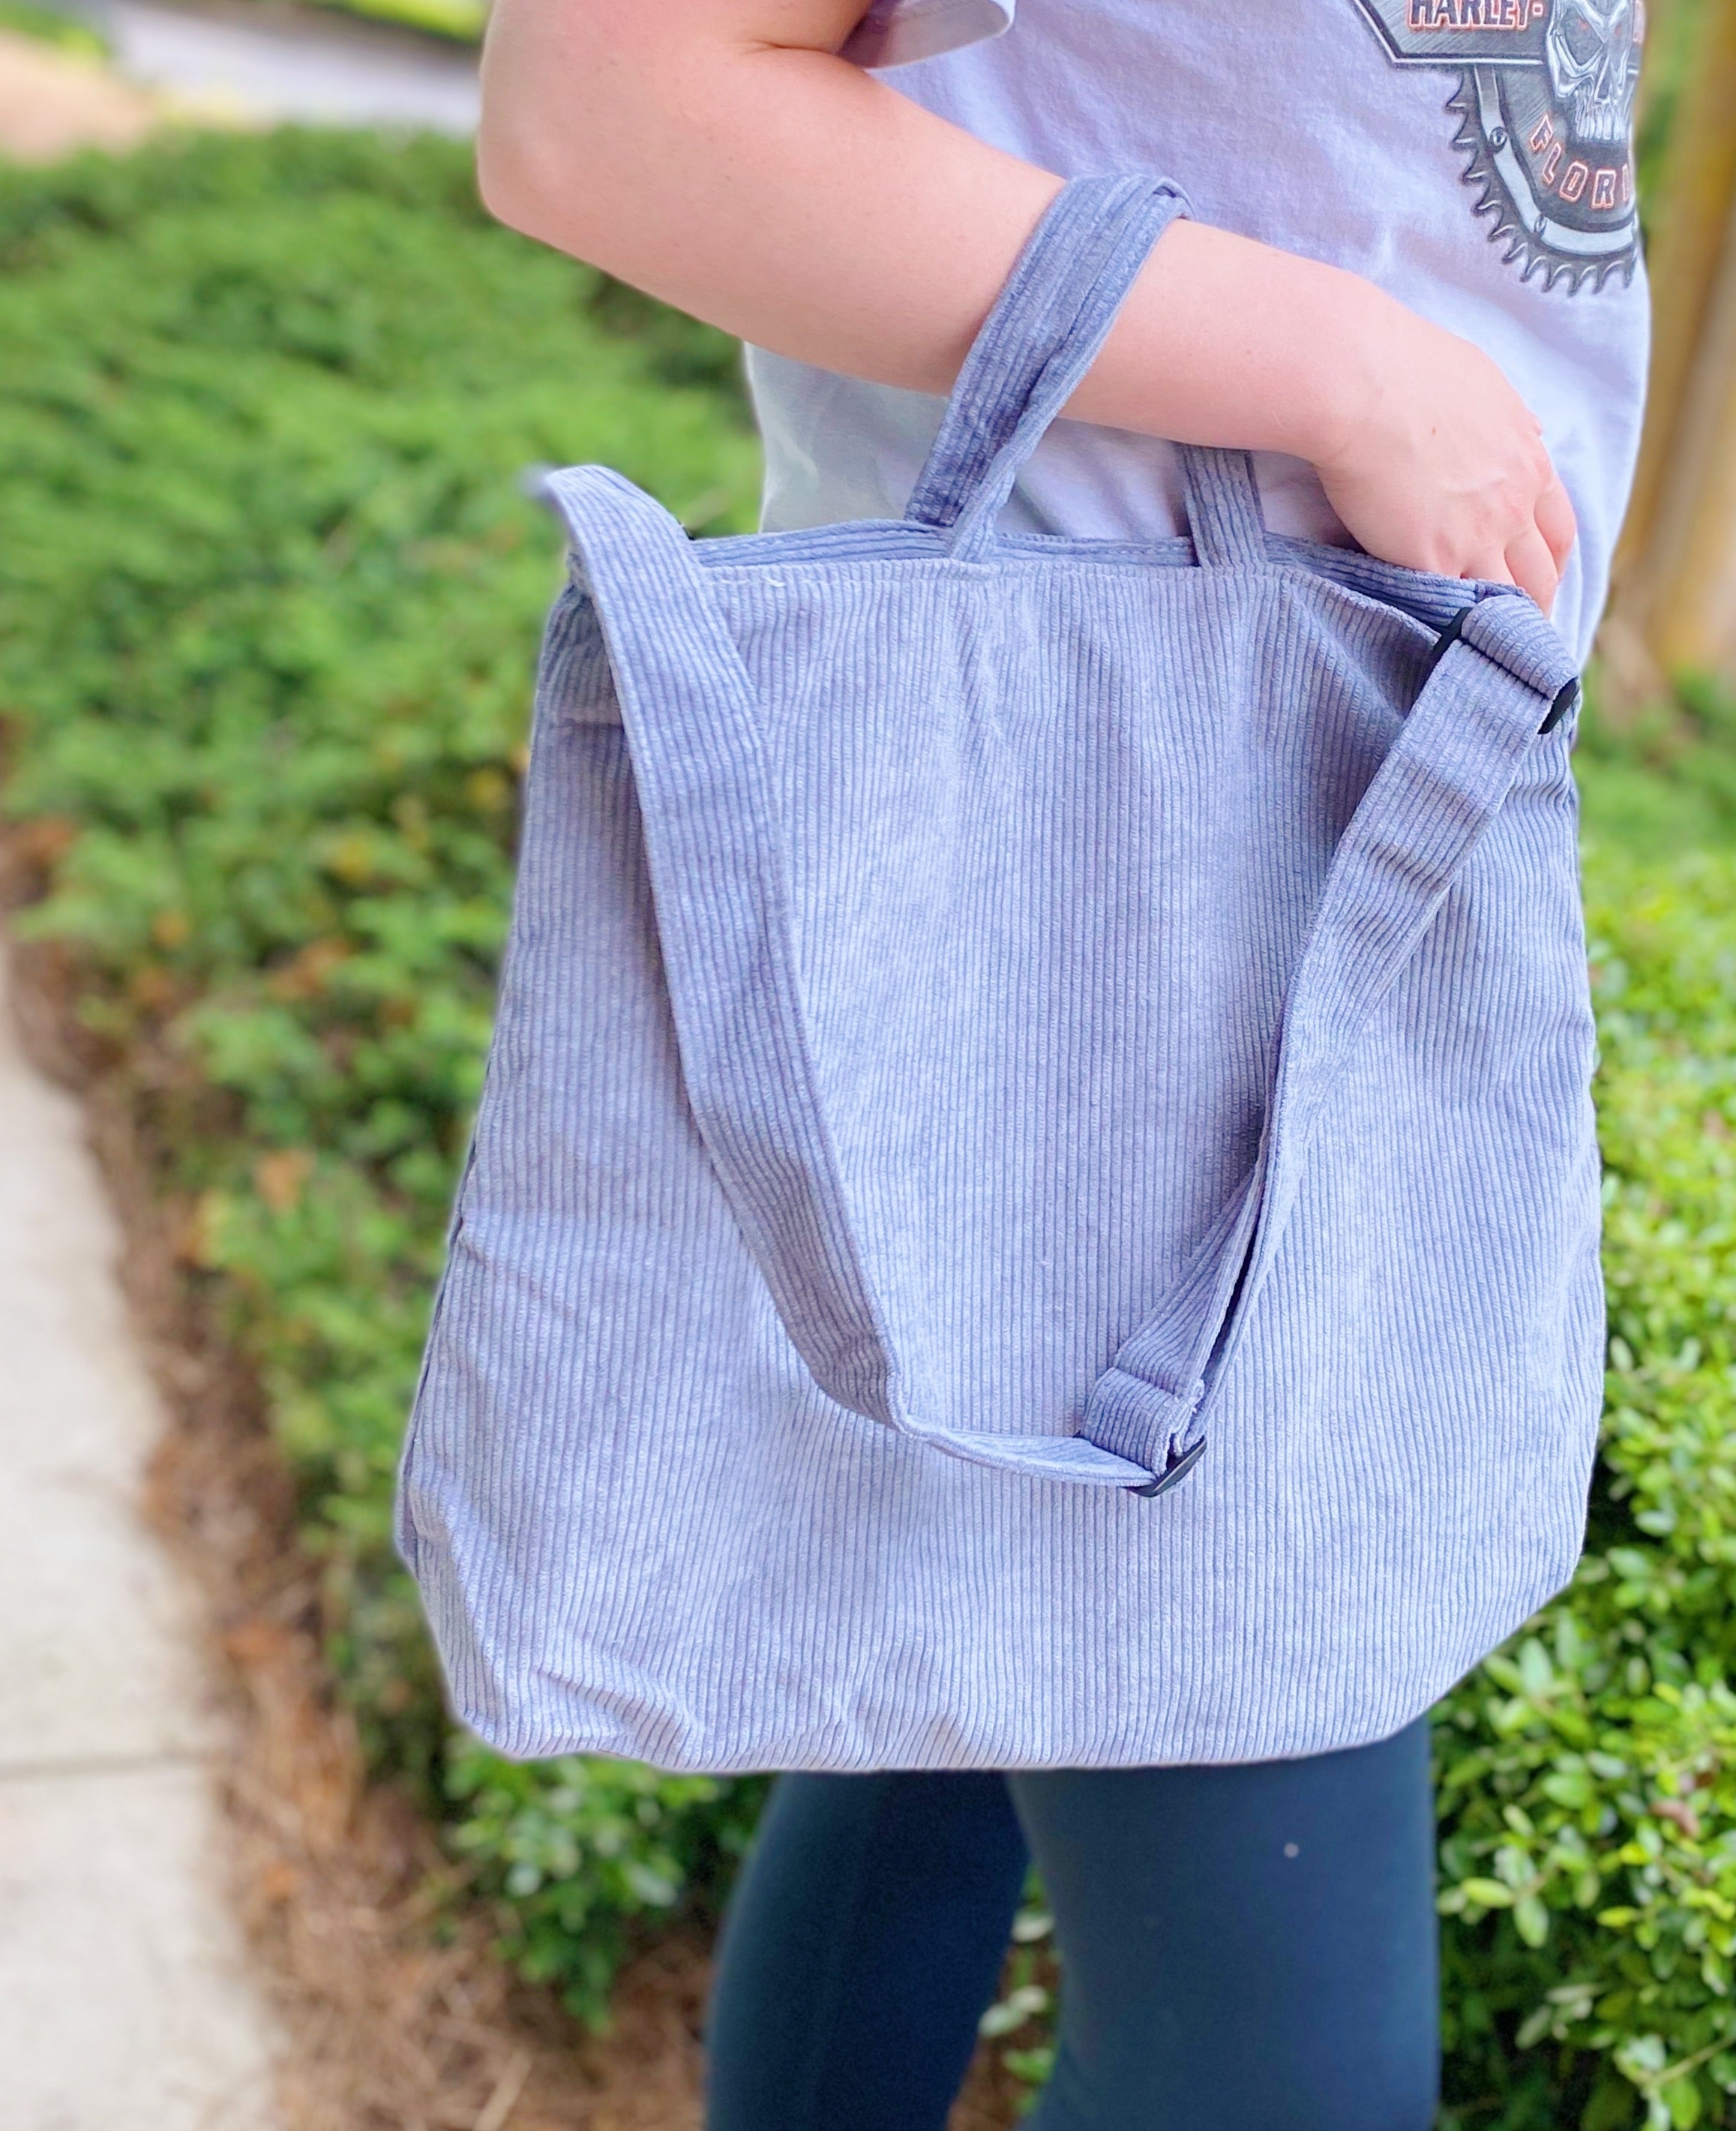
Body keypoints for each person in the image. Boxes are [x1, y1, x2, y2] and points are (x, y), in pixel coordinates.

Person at [470, 2, 1646, 2123]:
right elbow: (597, 101)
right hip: (1128, 846)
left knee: (950, 1739)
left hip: (1335, 789)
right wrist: (1343, 368)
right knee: (1279, 2081)